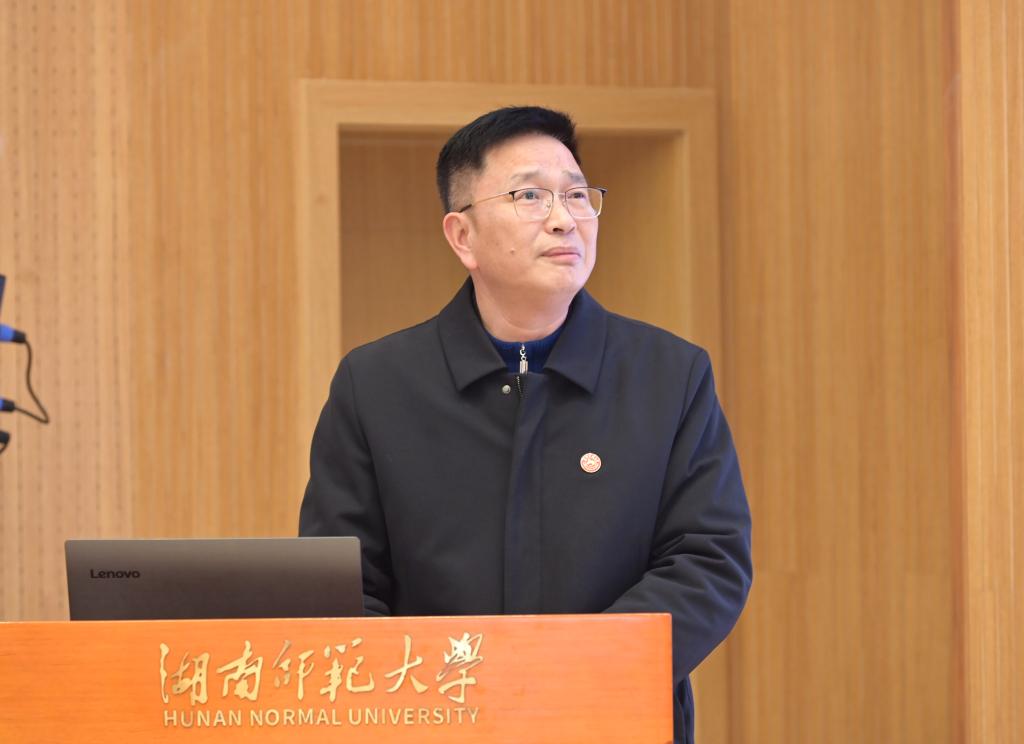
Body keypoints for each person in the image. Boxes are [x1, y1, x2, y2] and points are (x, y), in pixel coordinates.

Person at [299, 106, 752, 743]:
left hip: (613, 724)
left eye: (577, 194)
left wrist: (565, 680)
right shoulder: (375, 384)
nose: (565, 218)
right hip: (431, 727)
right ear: (462, 236)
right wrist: (434, 701)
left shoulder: (670, 375)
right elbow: (342, 584)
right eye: (530, 195)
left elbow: (708, 562)